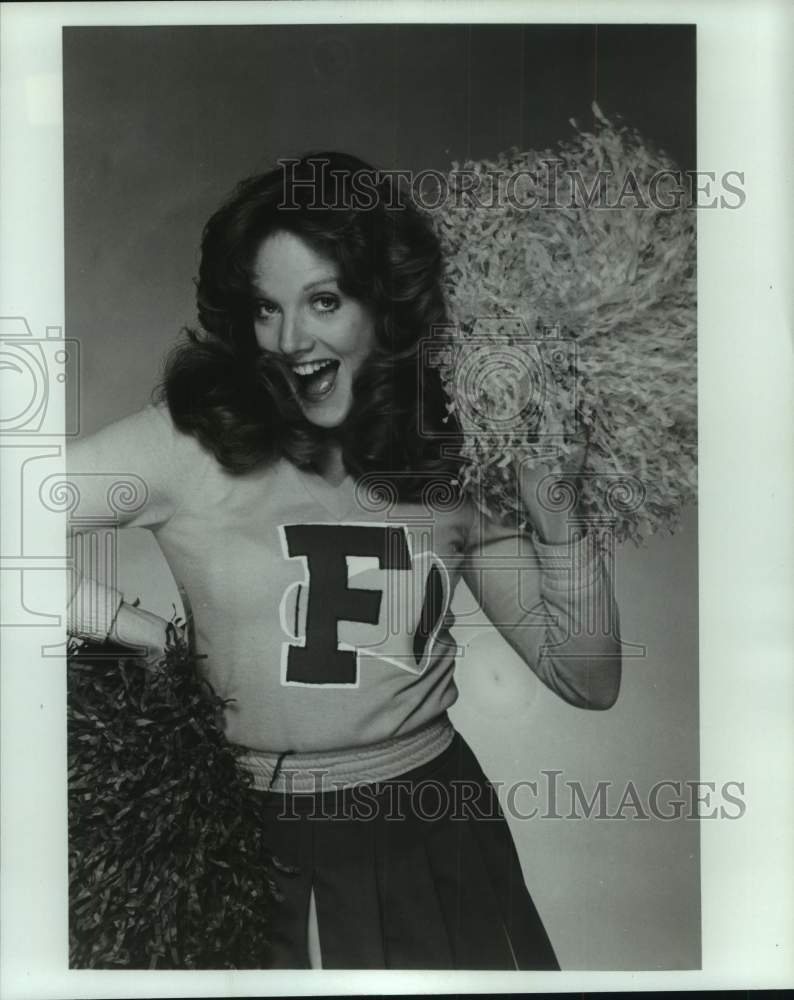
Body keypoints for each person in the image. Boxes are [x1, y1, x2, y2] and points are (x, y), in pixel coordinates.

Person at [66, 152, 621, 970]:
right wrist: (136, 632)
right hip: (236, 832)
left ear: (386, 305)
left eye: (323, 300)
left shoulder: (456, 447)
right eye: (265, 307)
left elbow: (590, 678)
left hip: (432, 822)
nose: (290, 341)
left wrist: (555, 511)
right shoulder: (184, 444)